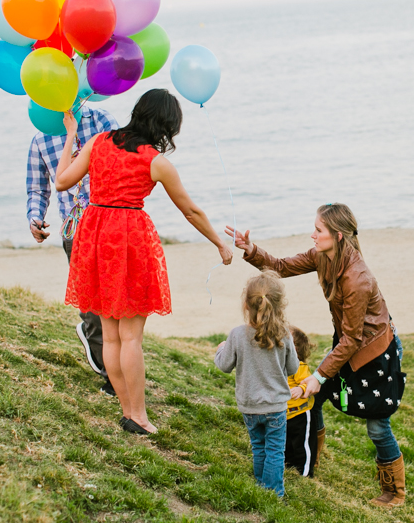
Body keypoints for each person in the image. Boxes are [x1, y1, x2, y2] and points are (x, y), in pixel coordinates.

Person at [56, 89, 234, 435]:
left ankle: (128, 412)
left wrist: (71, 136)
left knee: (111, 336)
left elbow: (63, 181)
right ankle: (138, 416)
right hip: (128, 237)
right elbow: (191, 211)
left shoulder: (98, 142)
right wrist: (220, 243)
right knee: (131, 337)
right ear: (165, 125)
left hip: (94, 234)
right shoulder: (156, 161)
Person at [226, 203, 407, 508]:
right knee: (316, 397)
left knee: (377, 424)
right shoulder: (322, 256)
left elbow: (353, 338)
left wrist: (319, 375)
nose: (312, 235)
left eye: (318, 230)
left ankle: (394, 491)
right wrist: (251, 249)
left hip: (374, 352)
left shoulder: (357, 278)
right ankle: (309, 459)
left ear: (337, 236)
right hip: (347, 346)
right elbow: (281, 267)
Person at [26, 104, 118, 396]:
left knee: (116, 300)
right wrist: (35, 216)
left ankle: (119, 366)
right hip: (75, 230)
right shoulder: (40, 138)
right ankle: (109, 375)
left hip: (110, 222)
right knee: (92, 305)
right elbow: (38, 188)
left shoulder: (101, 119)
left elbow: (121, 163)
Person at [215, 271, 299, 498]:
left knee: (259, 447)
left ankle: (262, 488)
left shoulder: (237, 335)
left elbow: (224, 365)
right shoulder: (284, 335)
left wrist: (221, 349)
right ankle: (274, 493)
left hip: (250, 405)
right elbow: (293, 369)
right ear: (279, 305)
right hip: (276, 406)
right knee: (275, 450)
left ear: (246, 305)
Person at [285, 326, 318, 478]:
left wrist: (301, 389)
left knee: (302, 445)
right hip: (284, 414)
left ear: (295, 349)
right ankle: (289, 466)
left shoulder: (298, 366)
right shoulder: (279, 365)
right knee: (287, 444)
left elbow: (308, 382)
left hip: (300, 414)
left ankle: (305, 473)